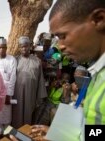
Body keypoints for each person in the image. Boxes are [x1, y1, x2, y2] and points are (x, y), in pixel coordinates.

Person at [10, 0, 105, 140]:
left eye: (63, 36)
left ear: (99, 19)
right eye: (57, 38)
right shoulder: (97, 73)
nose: (59, 46)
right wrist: (59, 135)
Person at [11, 36, 47, 128]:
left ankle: (26, 134)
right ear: (19, 48)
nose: (24, 48)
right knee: (16, 114)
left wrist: (40, 97)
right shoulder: (15, 60)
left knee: (29, 114)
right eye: (22, 46)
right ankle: (15, 135)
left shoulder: (37, 61)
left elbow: (40, 79)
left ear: (30, 47)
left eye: (26, 46)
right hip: (17, 93)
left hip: (31, 93)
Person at [0, 38, 17, 131]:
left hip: (7, 92)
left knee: (7, 118)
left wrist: (9, 94)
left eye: (4, 47)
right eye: (0, 48)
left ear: (6, 48)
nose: (2, 50)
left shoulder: (12, 59)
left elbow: (13, 78)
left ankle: (7, 135)